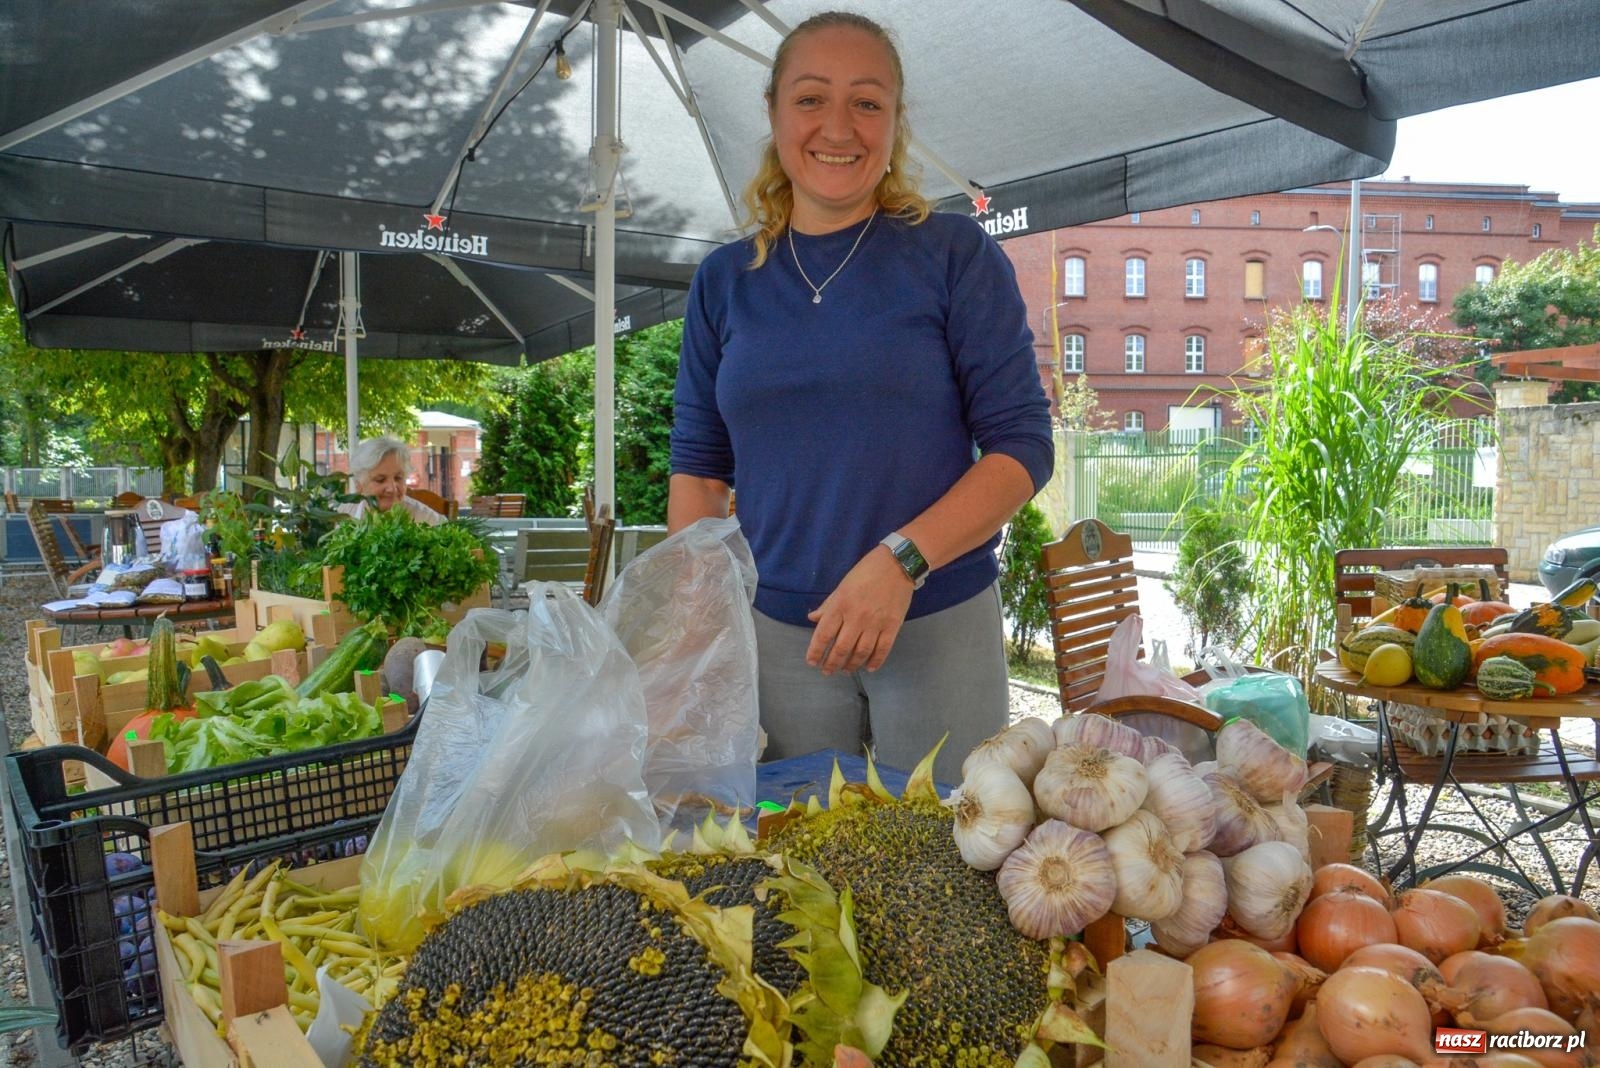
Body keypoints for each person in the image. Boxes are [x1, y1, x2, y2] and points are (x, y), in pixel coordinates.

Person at [667, 11, 1053, 783]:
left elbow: (1022, 448)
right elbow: (699, 474)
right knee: (793, 883)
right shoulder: (723, 281)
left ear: (895, 123)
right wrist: (696, 631)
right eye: (811, 99)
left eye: (867, 102)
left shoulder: (954, 255)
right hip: (780, 640)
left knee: (944, 871)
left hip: (936, 617)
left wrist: (899, 562)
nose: (837, 126)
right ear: (775, 114)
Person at [336, 436, 445, 525]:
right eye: (380, 480)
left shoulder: (430, 521)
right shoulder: (343, 514)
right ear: (359, 485)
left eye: (398, 478)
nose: (392, 489)